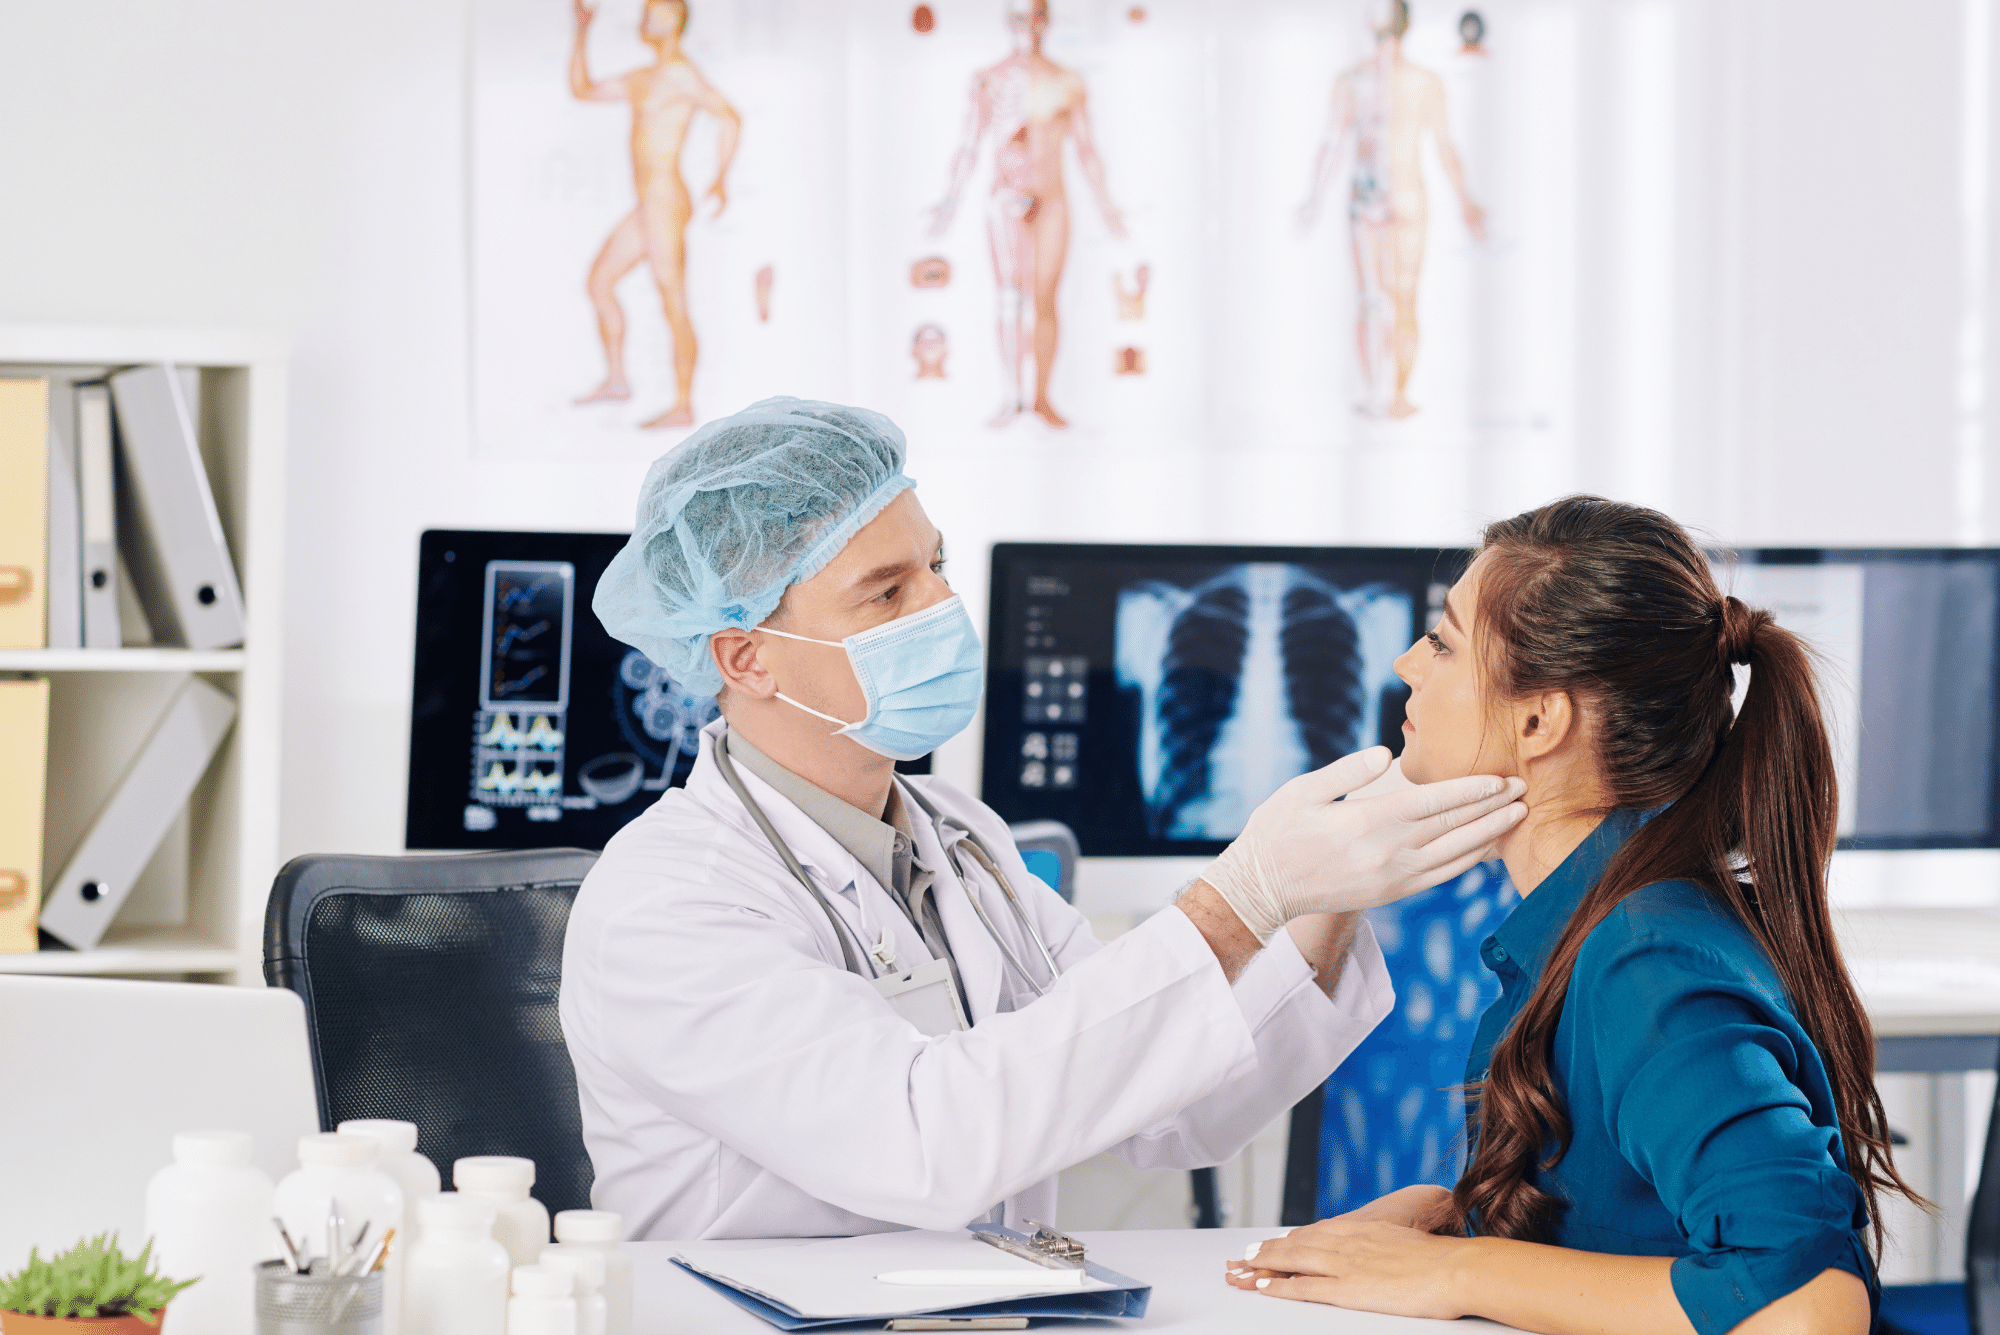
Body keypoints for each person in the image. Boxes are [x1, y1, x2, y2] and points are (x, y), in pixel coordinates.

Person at [559, 396, 1527, 1240]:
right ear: (744, 659)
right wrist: (1240, 895)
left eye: (932, 565)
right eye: (885, 591)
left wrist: (1328, 889)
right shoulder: (668, 903)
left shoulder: (956, 835)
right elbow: (926, 1146)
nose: (942, 603)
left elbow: (1170, 1106)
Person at [1225, 497, 1920, 1335]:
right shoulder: (1596, 924)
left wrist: (1456, 1268)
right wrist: (1464, 1213)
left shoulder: (1647, 962)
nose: (1409, 662)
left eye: (1444, 642)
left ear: (1539, 718)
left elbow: (1811, 1309)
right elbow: (1631, 1219)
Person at [929, 0, 1126, 429]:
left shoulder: (1067, 81)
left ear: (1047, 22)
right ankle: (1012, 397)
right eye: (1020, 17)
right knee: (1008, 297)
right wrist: (949, 201)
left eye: (1036, 17)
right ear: (1008, 22)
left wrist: (1109, 208)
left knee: (1045, 299)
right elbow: (969, 143)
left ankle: (1041, 398)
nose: (1028, 27)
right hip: (1005, 199)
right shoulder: (989, 80)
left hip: (1052, 198)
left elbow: (1087, 148)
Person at [1298, 0, 1484, 420]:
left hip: (1386, 196)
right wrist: (1465, 201)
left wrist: (1314, 198)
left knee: (1381, 300)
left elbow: (1332, 143)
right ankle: (1389, 394)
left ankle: (1382, 393)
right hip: (1393, 196)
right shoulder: (1406, 80)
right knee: (1391, 300)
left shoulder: (1367, 80)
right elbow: (1444, 147)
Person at [569, 0, 740, 428]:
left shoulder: (682, 74)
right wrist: (582, 31)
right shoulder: (643, 77)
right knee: (599, 281)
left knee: (672, 301)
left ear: (676, 20)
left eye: (656, 10)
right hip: (647, 204)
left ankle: (683, 405)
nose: (646, 17)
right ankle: (617, 380)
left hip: (666, 200)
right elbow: (583, 90)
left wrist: (721, 179)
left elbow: (730, 117)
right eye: (646, 10)